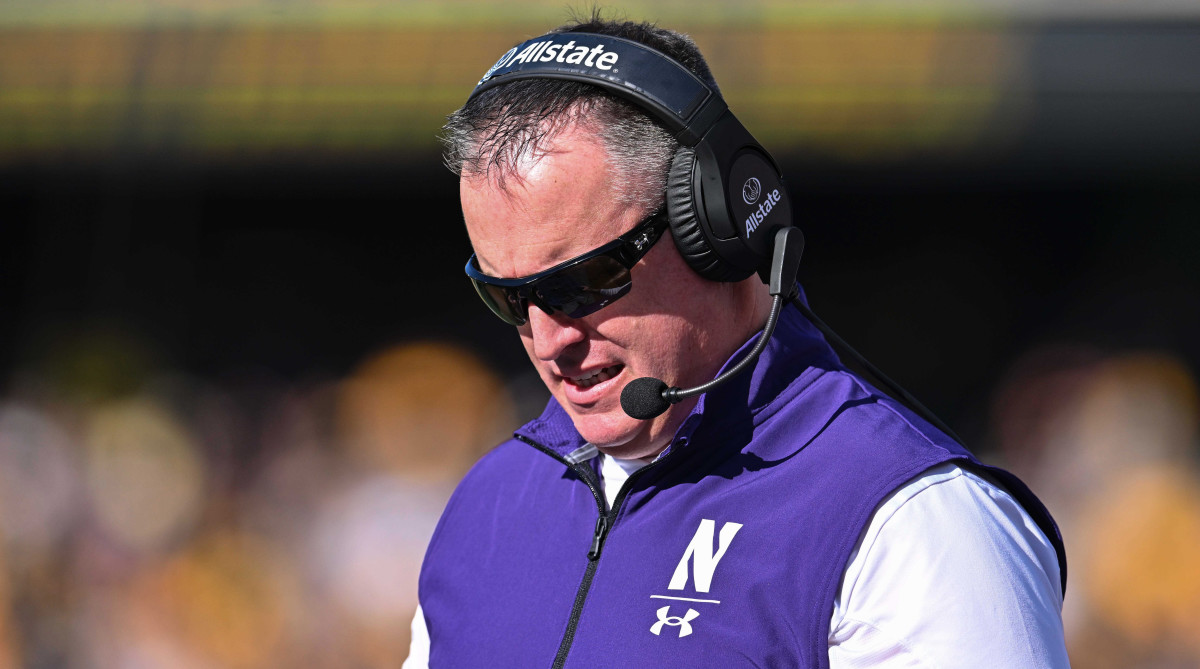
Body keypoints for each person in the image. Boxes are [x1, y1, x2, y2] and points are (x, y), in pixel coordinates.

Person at [406, 14, 1069, 668]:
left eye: (583, 281)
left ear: (716, 225)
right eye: (509, 297)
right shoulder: (487, 506)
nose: (550, 339)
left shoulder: (914, 525)